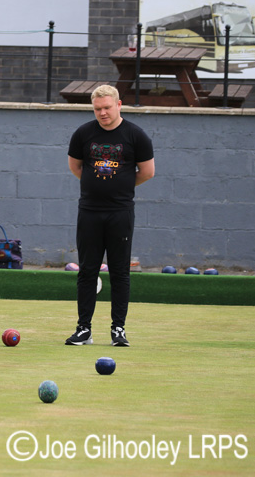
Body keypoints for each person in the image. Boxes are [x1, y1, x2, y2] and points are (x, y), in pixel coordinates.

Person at [65, 84, 155, 346]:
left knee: (119, 272)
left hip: (120, 214)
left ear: (118, 105)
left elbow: (147, 172)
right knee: (87, 271)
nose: (102, 113)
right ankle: (84, 329)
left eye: (106, 108)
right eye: (97, 109)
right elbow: (76, 167)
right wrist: (99, 187)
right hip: (90, 212)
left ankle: (118, 329)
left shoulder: (136, 136)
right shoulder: (83, 134)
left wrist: (121, 188)